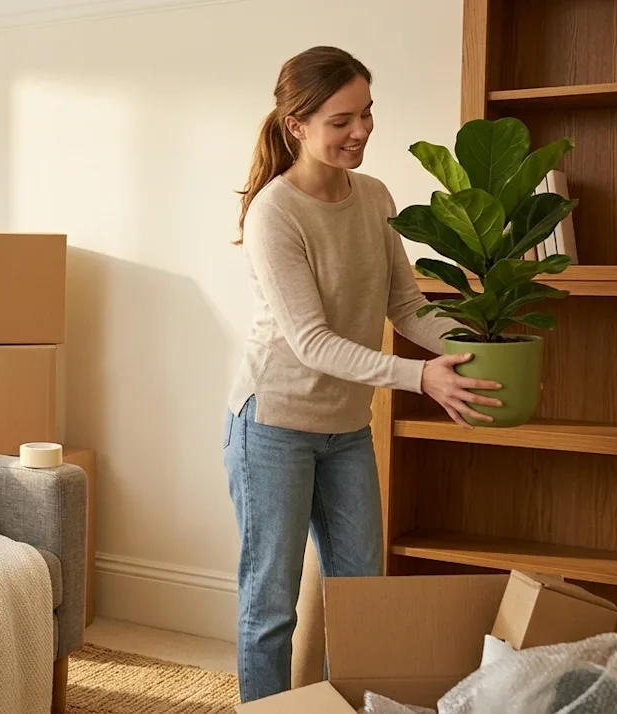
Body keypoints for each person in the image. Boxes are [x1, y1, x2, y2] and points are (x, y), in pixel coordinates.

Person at [223, 46, 502, 703]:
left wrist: (475, 346)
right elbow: (312, 340)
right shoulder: (275, 212)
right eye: (342, 120)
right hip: (274, 427)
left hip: (345, 428)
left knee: (360, 597)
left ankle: (345, 705)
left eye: (367, 114)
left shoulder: (374, 196)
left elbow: (404, 305)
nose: (361, 131)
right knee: (272, 605)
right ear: (297, 125)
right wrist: (419, 378)